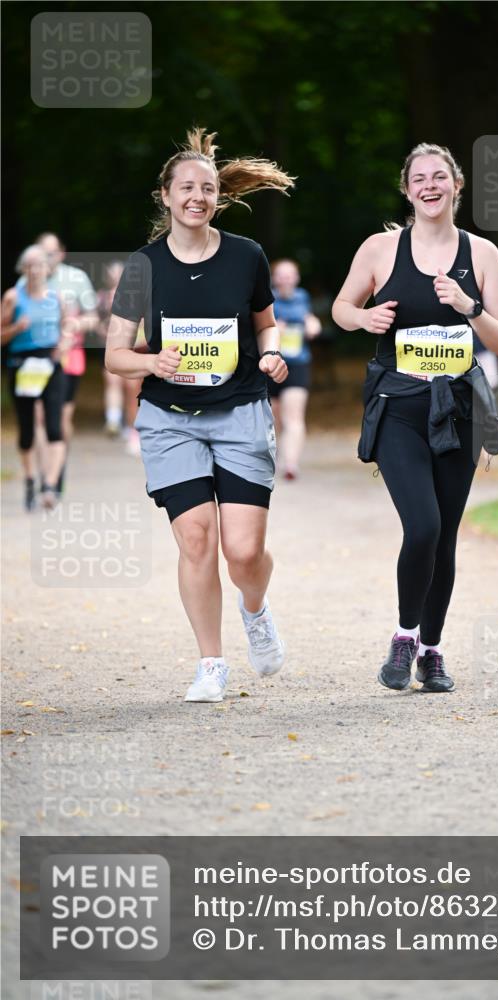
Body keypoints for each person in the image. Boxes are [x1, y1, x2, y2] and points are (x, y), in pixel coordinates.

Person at [106, 127, 294, 703]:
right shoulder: (142, 267)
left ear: (219, 196)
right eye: (186, 187)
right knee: (195, 538)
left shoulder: (246, 256)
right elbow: (114, 355)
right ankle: (211, 663)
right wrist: (151, 361)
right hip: (170, 417)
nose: (197, 196)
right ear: (165, 195)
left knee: (242, 552)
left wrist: (270, 351)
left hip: (239, 411)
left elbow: (265, 321)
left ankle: (255, 609)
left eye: (207, 188)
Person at [332, 142, 498, 693]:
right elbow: (340, 309)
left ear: (457, 185)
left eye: (440, 176)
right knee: (424, 526)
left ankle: (431, 653)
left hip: (456, 409)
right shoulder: (382, 249)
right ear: (407, 190)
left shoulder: (482, 255)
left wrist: (469, 307)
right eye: (419, 178)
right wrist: (365, 317)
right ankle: (404, 635)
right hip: (398, 408)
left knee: (447, 537)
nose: (429, 186)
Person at [19, 232, 99, 496]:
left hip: (69, 356)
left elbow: (93, 317)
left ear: (62, 253)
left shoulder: (76, 279)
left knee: (62, 418)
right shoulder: (26, 280)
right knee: (39, 415)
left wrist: (76, 324)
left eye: (52, 252)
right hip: (36, 359)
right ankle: (47, 478)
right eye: (42, 252)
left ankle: (57, 468)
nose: (46, 258)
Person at [1, 245, 67, 510]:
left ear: (47, 269)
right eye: (30, 265)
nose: (36, 270)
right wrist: (17, 328)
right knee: (27, 430)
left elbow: (66, 328)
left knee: (54, 427)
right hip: (22, 364)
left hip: (50, 364)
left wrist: (64, 343)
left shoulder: (57, 297)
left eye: (40, 265)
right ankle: (30, 480)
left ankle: (50, 486)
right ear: (23, 269)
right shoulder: (12, 298)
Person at [268, 258, 322, 479]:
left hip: (297, 365)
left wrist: (313, 326)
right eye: (281, 275)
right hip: (271, 366)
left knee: (294, 416)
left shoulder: (303, 298)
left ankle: (290, 465)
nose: (285, 279)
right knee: (274, 419)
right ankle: (277, 456)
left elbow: (310, 321)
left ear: (297, 278)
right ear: (274, 279)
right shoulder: (267, 300)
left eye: (290, 275)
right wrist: (274, 331)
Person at [96, 260, 144, 455]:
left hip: (136, 349)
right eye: (112, 275)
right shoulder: (102, 298)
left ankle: (133, 431)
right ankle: (115, 420)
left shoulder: (137, 297)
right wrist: (108, 335)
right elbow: (96, 322)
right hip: (115, 350)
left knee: (132, 390)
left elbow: (144, 323)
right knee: (113, 381)